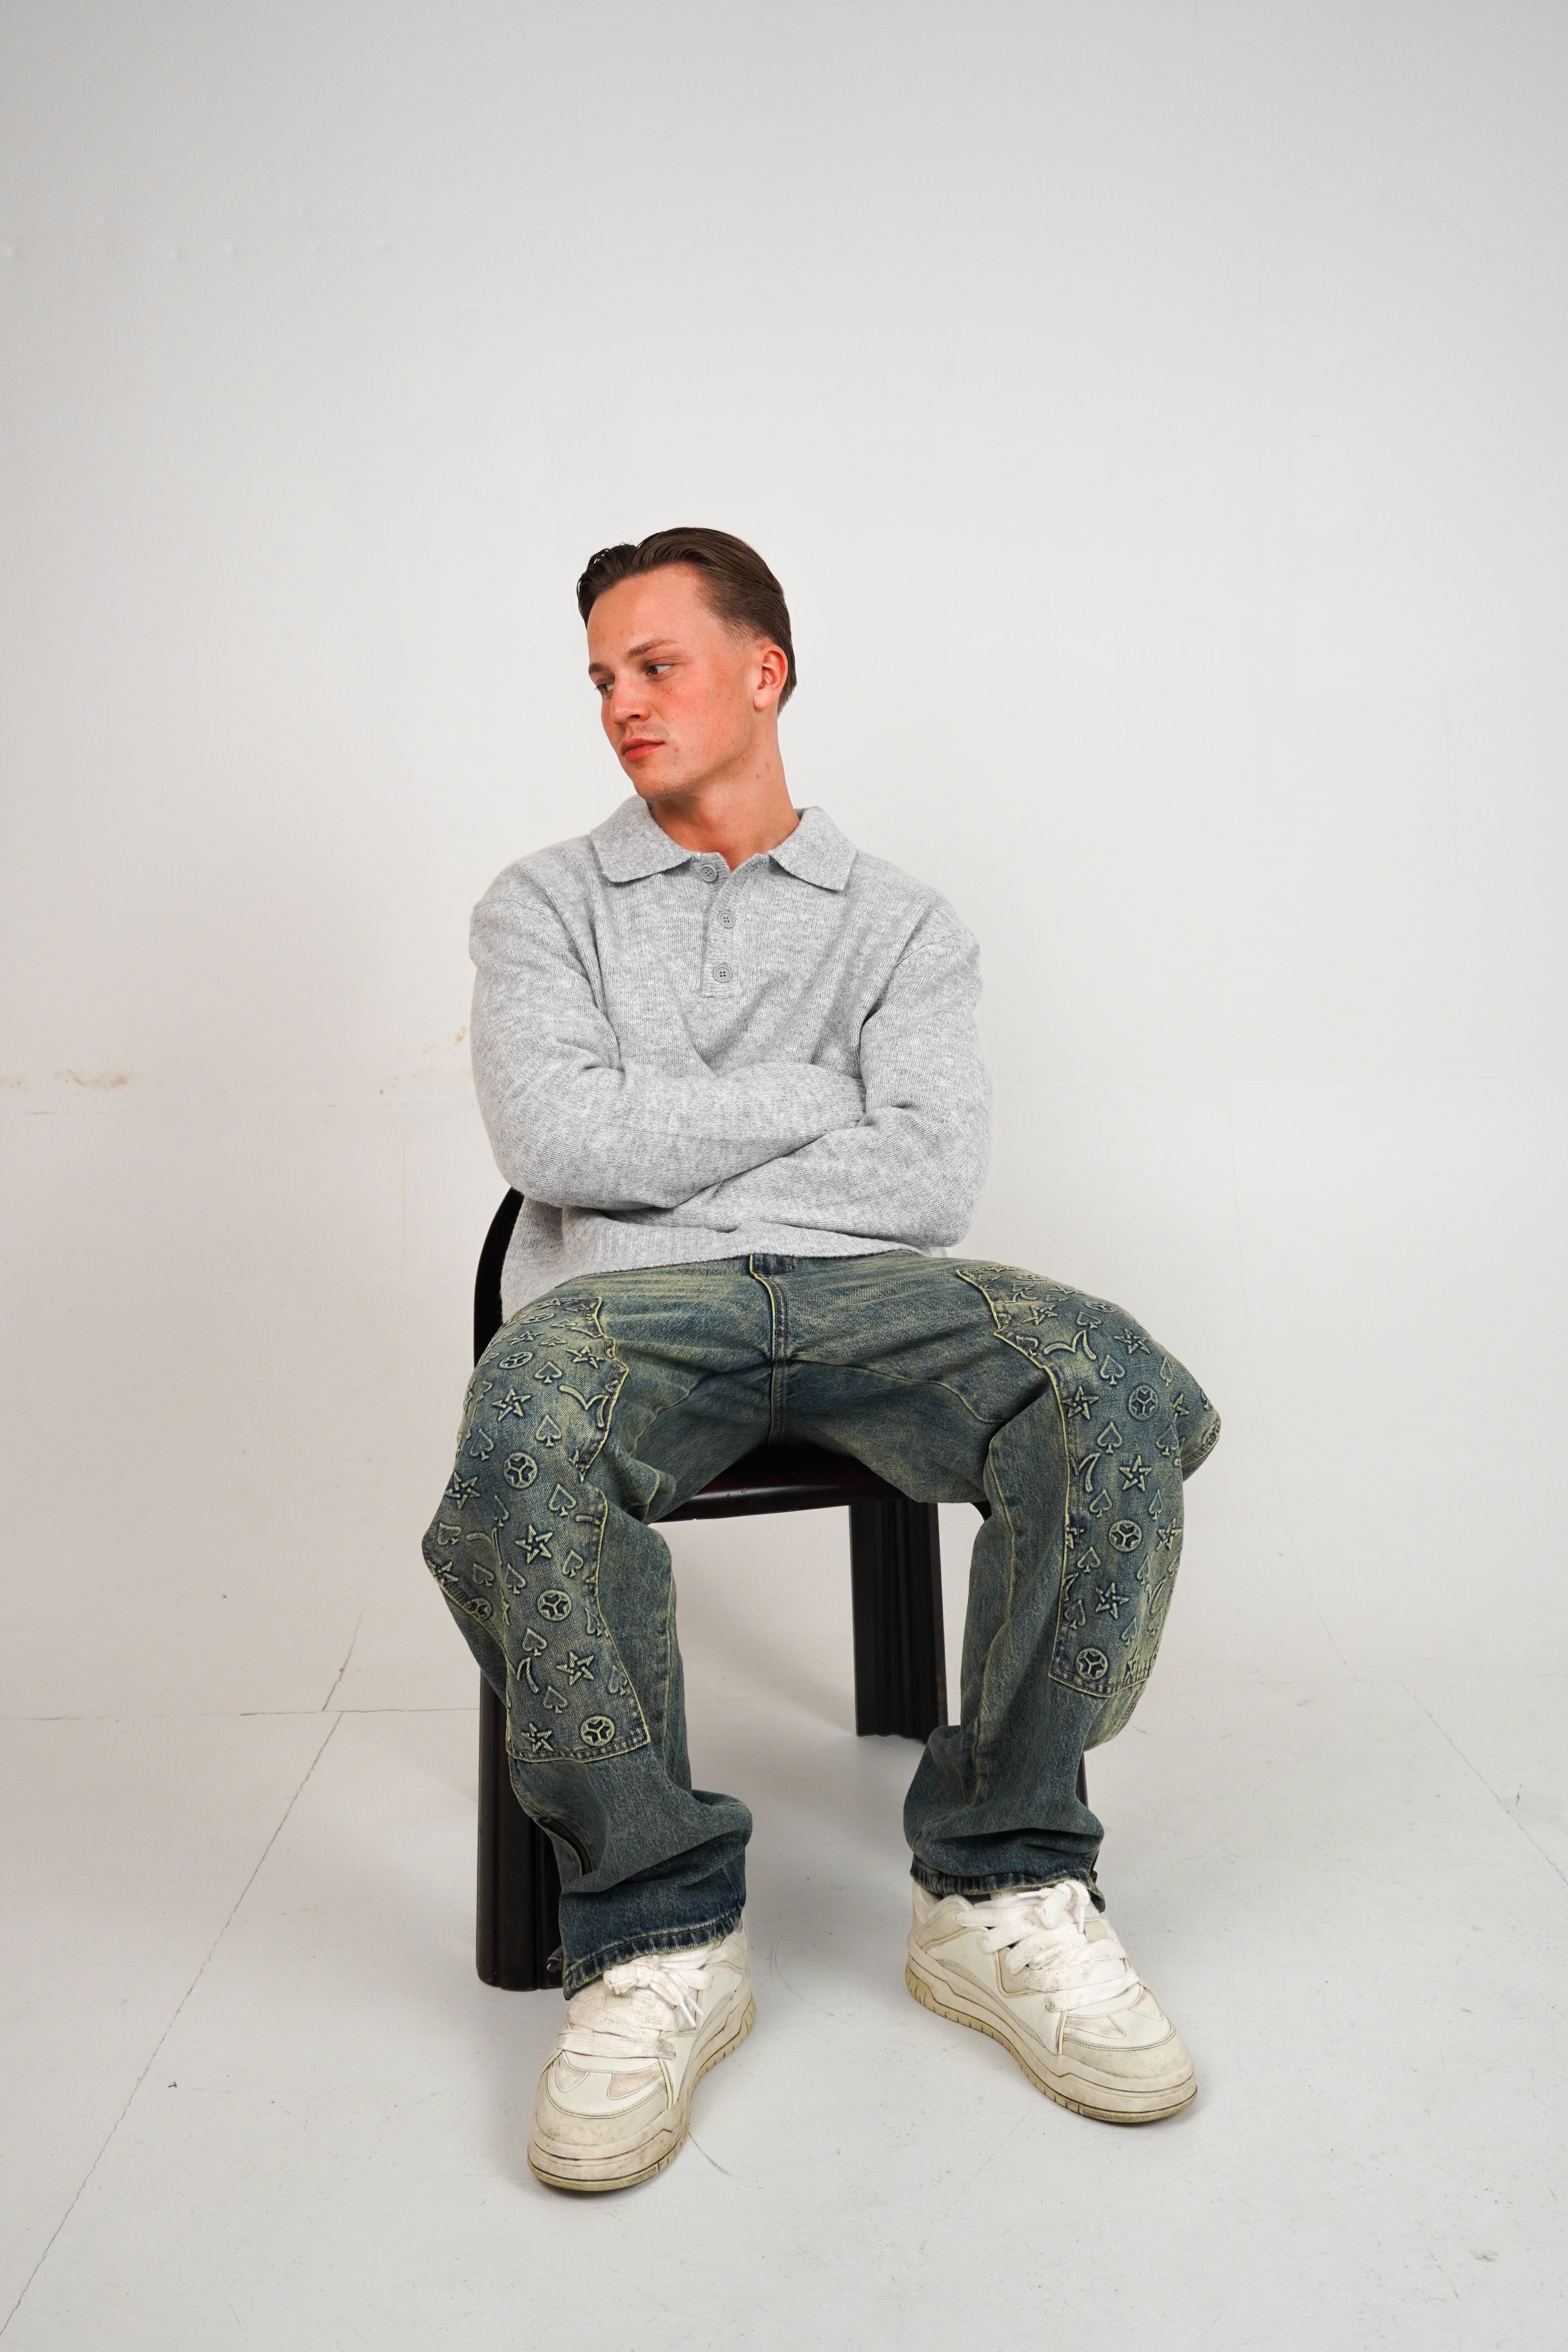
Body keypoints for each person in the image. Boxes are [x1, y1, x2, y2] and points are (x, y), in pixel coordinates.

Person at [424, 527, 1220, 2194]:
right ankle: (651, 1937)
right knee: (518, 1446)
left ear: (761, 671)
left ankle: (1004, 1882)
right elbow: (556, 1134)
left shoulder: (903, 923)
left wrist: (668, 1144)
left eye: (656, 667)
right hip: (628, 1308)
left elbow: (928, 1177)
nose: (620, 707)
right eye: (599, 680)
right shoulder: (543, 903)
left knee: (1114, 1384)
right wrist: (814, 1103)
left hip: (875, 1302)